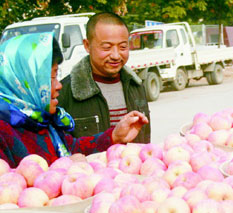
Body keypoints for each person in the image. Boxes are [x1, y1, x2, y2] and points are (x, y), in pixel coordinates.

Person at [0, 32, 148, 168]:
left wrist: (114, 136)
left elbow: (73, 148)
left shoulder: (44, 121)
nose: (58, 85)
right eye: (50, 79)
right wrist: (64, 168)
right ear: (22, 82)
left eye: (56, 76)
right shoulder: (4, 131)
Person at [58, 12, 151, 143]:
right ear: (87, 45)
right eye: (107, 47)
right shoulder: (65, 93)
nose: (116, 55)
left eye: (123, 47)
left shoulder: (136, 85)